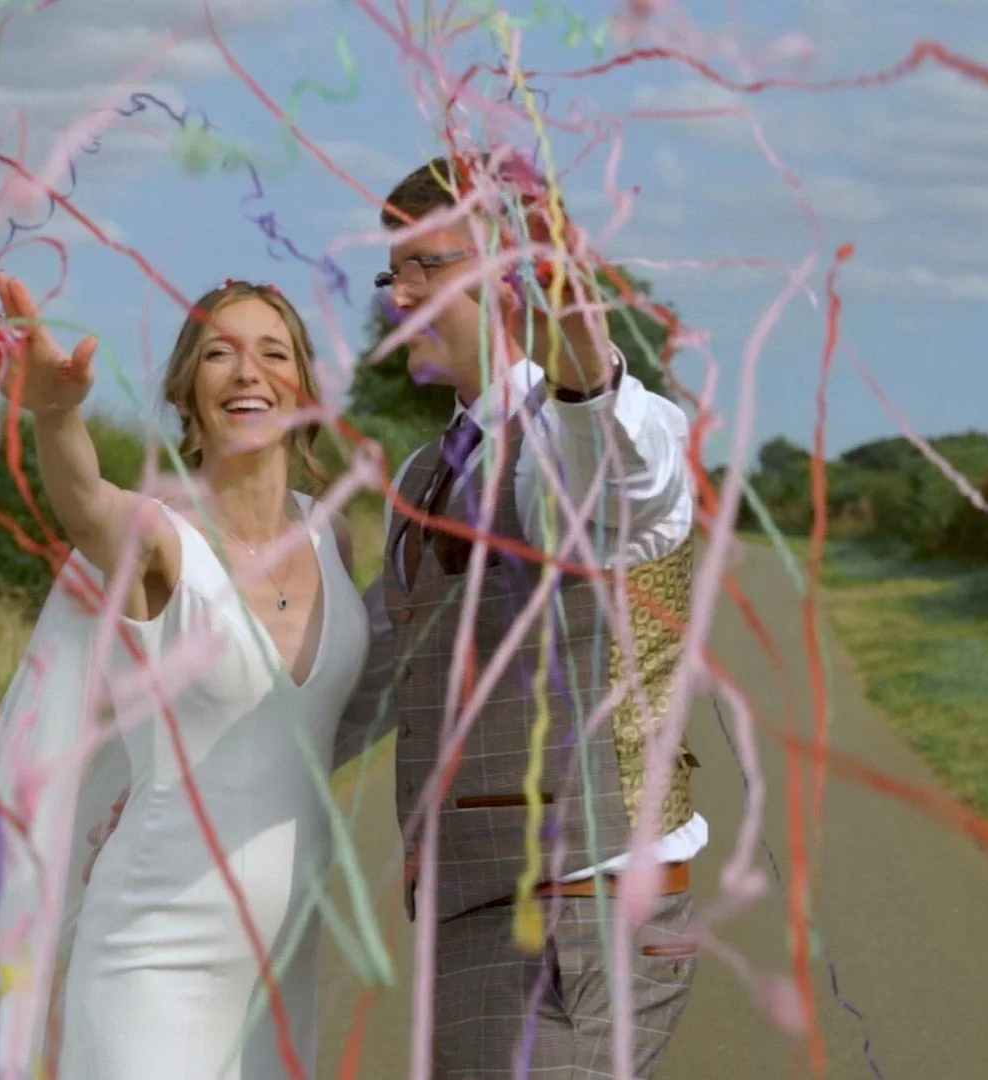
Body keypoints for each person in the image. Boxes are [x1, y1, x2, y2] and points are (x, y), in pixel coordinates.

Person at [0, 276, 369, 1079]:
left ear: (304, 387)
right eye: (220, 354)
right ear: (186, 391)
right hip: (153, 955)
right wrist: (55, 414)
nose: (248, 373)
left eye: (273, 353)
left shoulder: (334, 537)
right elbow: (86, 503)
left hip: (284, 964)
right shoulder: (157, 537)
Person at [335, 153, 704, 1078]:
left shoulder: (582, 433)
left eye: (425, 267)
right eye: (391, 272)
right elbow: (371, 678)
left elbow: (610, 481)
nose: (398, 296)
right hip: (475, 913)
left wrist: (582, 356)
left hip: (583, 911)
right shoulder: (424, 473)